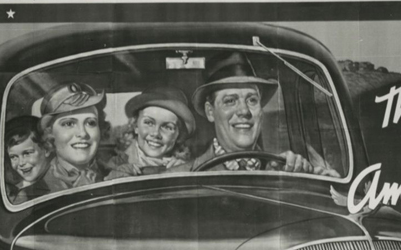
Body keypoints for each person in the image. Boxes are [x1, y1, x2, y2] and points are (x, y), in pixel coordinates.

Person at [190, 51, 336, 174]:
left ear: (261, 110)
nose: (244, 111)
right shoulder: (182, 176)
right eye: (230, 101)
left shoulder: (282, 171)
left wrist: (314, 179)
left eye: (252, 100)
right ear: (210, 112)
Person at [105, 88, 195, 180]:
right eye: (149, 123)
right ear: (136, 126)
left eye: (168, 127)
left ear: (178, 135)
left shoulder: (190, 168)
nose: (156, 133)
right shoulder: (116, 164)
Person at [38, 82, 107, 192]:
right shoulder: (35, 190)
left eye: (91, 123)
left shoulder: (117, 175)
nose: (83, 133)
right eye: (69, 124)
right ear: (49, 133)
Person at [4, 116, 52, 204]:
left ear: (46, 149)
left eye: (27, 153)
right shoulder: (18, 187)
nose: (21, 163)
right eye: (14, 157)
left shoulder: (54, 184)